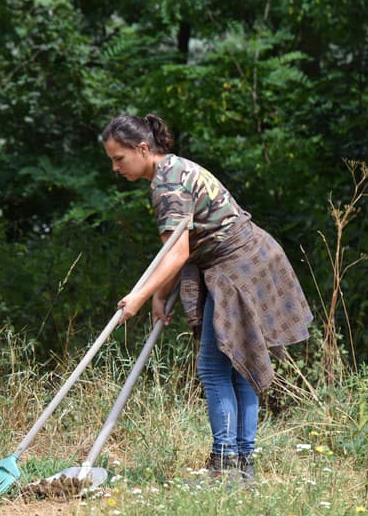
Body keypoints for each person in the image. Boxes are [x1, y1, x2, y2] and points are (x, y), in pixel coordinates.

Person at [101, 113, 313, 482]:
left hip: (238, 266)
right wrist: (159, 294)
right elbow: (175, 251)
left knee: (214, 369)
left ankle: (226, 465)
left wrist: (138, 296)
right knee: (238, 367)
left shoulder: (167, 185)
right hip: (254, 257)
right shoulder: (174, 169)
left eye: (119, 158)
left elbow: (178, 253)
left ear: (142, 149)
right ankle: (242, 466)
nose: (116, 168)